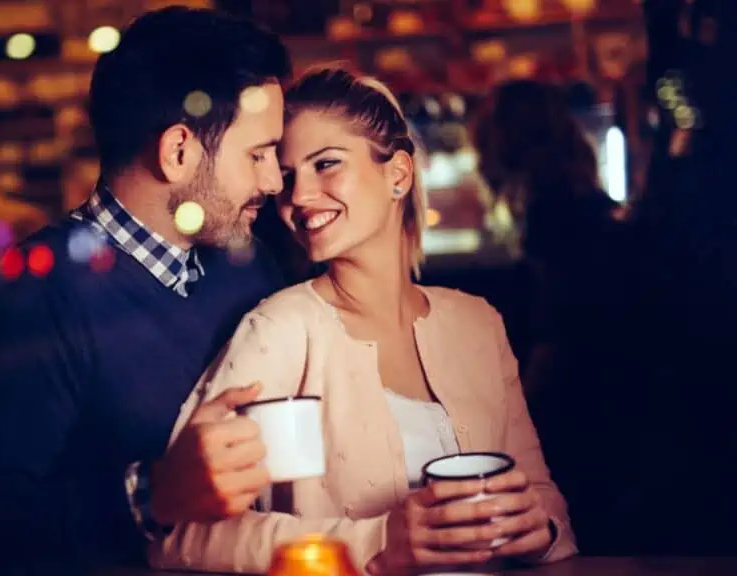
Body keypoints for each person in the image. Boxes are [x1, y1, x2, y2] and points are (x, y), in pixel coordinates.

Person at [150, 67, 577, 575]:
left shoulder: (477, 323)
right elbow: (180, 535)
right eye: (287, 177)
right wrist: (377, 543)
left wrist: (539, 529)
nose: (299, 197)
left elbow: (546, 504)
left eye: (326, 164)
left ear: (398, 173)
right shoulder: (280, 329)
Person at [0, 7, 292, 573]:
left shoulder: (246, 267)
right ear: (179, 152)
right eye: (258, 154)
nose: (275, 180)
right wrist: (152, 495)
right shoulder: (27, 301)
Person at [472, 80, 636, 551]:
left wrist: (510, 427)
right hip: (617, 405)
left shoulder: (551, 219)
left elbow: (556, 338)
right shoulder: (585, 207)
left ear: (500, 145)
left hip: (585, 414)